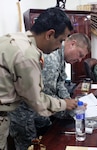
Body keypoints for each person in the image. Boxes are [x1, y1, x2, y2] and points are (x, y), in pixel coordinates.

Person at [0, 7, 75, 150]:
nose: (59, 47)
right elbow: (37, 101)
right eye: (60, 41)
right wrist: (65, 104)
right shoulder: (27, 54)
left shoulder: (16, 38)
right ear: (49, 34)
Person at [8, 33, 91, 150]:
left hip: (39, 111)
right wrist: (70, 110)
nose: (79, 60)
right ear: (73, 44)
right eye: (80, 54)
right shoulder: (52, 58)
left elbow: (60, 84)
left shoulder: (61, 56)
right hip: (25, 114)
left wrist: (71, 103)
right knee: (29, 146)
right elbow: (45, 95)